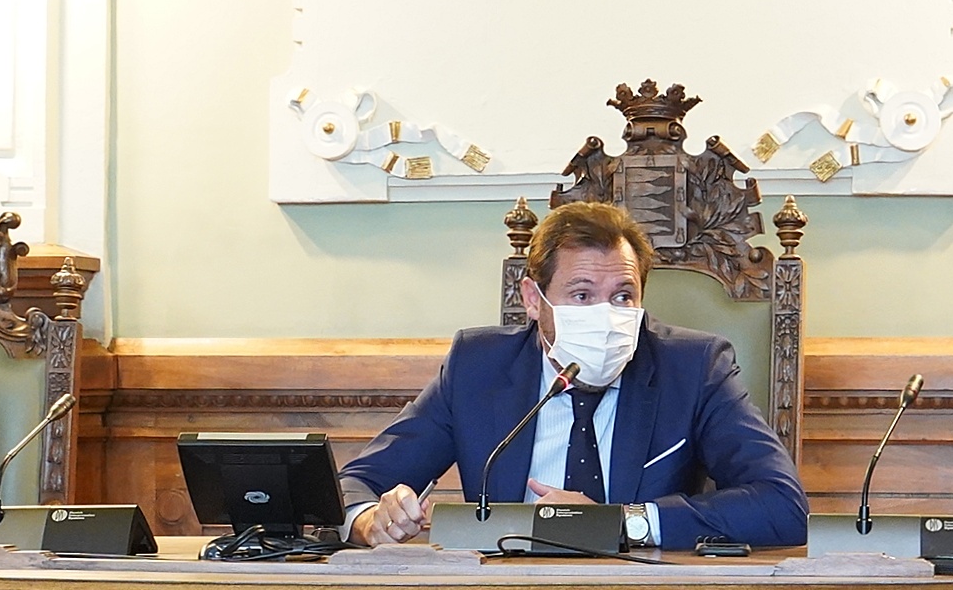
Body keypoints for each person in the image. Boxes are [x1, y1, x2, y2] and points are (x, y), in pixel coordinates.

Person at [340, 201, 807, 549]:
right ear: (533, 299)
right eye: (582, 295)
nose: (606, 315)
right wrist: (369, 520)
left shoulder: (693, 367)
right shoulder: (478, 367)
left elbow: (782, 505)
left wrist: (618, 522)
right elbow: (354, 486)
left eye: (623, 296)